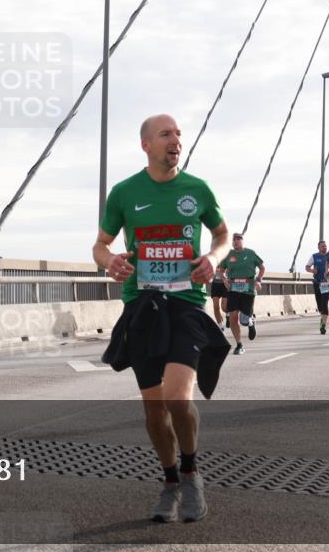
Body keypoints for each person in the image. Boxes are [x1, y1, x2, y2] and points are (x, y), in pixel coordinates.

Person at [95, 113, 230, 524]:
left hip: (187, 303)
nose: (176, 141)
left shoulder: (197, 189)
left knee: (177, 396)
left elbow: (223, 235)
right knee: (154, 410)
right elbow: (101, 245)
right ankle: (170, 480)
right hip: (143, 306)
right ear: (146, 145)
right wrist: (110, 262)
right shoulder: (124, 193)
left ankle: (190, 472)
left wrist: (213, 258)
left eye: (178, 135)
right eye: (166, 135)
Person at [219, 233, 265, 355]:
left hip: (248, 290)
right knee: (233, 317)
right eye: (233, 240)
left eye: (238, 239)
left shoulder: (250, 253)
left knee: (244, 320)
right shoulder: (228, 255)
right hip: (233, 289)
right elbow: (221, 270)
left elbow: (262, 268)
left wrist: (259, 280)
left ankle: (250, 322)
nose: (235, 242)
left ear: (242, 241)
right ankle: (239, 345)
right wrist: (224, 279)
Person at [305, 240, 329, 335]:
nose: (324, 247)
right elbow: (307, 267)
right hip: (316, 282)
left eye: (325, 246)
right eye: (322, 246)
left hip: (325, 283)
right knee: (319, 304)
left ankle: (323, 325)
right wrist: (312, 270)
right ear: (318, 247)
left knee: (325, 303)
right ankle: (322, 317)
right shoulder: (314, 256)